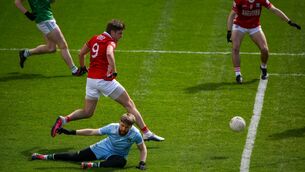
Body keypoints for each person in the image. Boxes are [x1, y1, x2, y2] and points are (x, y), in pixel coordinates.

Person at [51, 19, 164, 142]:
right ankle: (146, 133)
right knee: (129, 104)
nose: (121, 36)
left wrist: (82, 67)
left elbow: (81, 53)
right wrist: (113, 70)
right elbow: (109, 54)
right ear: (112, 32)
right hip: (104, 80)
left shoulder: (94, 38)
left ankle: (64, 119)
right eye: (120, 33)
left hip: (91, 80)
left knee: (87, 112)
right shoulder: (110, 42)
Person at [32, 113, 147, 170]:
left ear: (131, 126)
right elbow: (92, 132)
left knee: (121, 162)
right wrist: (71, 132)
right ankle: (43, 156)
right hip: (103, 147)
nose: (123, 129)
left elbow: (142, 149)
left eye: (126, 127)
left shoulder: (135, 134)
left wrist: (142, 162)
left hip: (117, 155)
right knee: (76, 156)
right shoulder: (112, 127)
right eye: (122, 125)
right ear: (119, 122)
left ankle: (91, 165)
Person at [226, 0, 301, 84]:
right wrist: (229, 31)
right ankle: (238, 74)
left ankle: (263, 67)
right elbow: (232, 14)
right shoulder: (240, 0)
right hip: (239, 25)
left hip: (254, 26)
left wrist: (289, 21)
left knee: (265, 50)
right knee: (235, 48)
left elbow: (274, 10)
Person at [14, 0, 85, 76]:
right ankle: (75, 70)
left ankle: (25, 53)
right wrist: (27, 14)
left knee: (51, 48)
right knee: (63, 45)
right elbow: (17, 2)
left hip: (45, 19)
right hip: (45, 21)